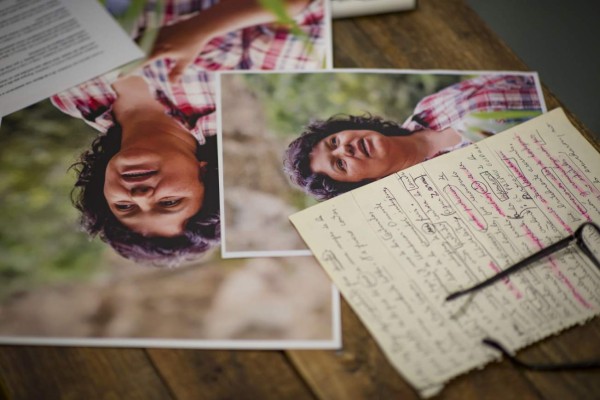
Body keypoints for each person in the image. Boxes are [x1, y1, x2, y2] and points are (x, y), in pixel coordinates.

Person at [51, 0, 324, 265]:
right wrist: (200, 28)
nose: (139, 196)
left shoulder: (71, 97)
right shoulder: (236, 89)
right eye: (169, 202)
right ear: (204, 173)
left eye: (125, 207)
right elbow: (305, 8)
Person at [284, 74, 543, 200]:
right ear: (358, 183)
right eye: (339, 163)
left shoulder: (428, 107)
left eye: (334, 142)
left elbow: (512, 79)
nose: (345, 149)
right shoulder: (441, 190)